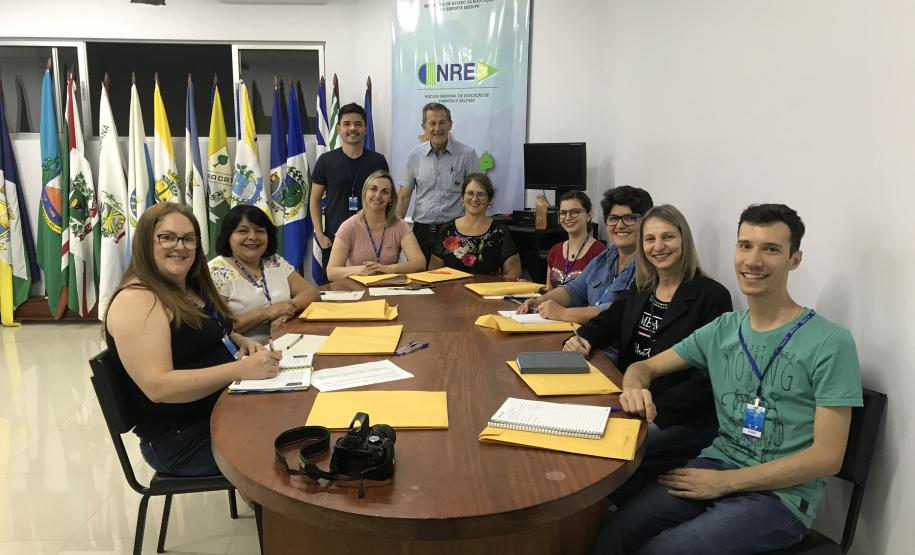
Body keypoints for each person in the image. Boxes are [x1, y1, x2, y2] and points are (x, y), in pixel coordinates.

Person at [590, 204, 863, 555]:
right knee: (612, 533)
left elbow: (827, 458)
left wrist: (725, 483)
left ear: (794, 259)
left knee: (661, 551)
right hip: (715, 464)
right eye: (745, 245)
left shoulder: (831, 342)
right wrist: (633, 387)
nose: (753, 260)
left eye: (771, 249)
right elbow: (644, 368)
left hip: (780, 498)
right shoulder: (722, 330)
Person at [564, 205, 732, 504]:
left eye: (667, 237)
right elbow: (606, 322)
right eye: (650, 239)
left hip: (677, 417)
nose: (658, 247)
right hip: (629, 398)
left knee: (592, 452)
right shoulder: (643, 288)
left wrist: (648, 409)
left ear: (684, 241)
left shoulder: (712, 297)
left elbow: (708, 379)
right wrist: (582, 339)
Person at [104, 203, 282, 477]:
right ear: (144, 242)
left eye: (189, 239)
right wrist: (240, 369)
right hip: (181, 441)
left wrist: (238, 339)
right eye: (167, 237)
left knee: (296, 418)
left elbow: (202, 329)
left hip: (216, 414)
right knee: (291, 449)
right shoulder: (137, 300)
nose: (181, 246)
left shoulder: (185, 287)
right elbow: (158, 387)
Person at [519, 185, 654, 361]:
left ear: (646, 222)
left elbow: (615, 312)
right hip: (583, 342)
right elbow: (575, 289)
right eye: (613, 218)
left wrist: (563, 314)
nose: (620, 225)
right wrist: (539, 301)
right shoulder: (606, 256)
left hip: (613, 357)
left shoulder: (649, 266)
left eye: (629, 218)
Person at [208, 204, 320, 344]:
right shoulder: (216, 270)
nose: (253, 237)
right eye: (243, 231)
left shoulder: (274, 261)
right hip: (244, 355)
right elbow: (216, 326)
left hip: (288, 343)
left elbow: (311, 292)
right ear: (228, 236)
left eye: (260, 231)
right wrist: (268, 313)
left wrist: (288, 309)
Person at [397, 102, 479, 266]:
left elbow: (476, 195)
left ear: (450, 124)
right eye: (432, 123)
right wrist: (394, 231)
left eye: (442, 122)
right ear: (424, 127)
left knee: (455, 282)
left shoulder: (467, 154)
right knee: (421, 282)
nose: (437, 128)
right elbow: (404, 196)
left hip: (455, 231)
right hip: (422, 232)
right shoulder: (415, 155)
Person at [310, 103, 390, 270]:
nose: (352, 128)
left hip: (371, 238)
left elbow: (386, 196)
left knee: (371, 289)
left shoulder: (378, 161)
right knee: (335, 290)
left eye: (358, 124)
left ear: (366, 129)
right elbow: (314, 200)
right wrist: (319, 234)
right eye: (347, 124)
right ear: (339, 128)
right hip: (334, 236)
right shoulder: (325, 161)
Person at [326, 170, 426, 281]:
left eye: (385, 192)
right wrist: (357, 270)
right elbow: (331, 272)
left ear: (391, 198)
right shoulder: (349, 226)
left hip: (391, 289)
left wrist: (388, 269)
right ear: (365, 192)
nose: (378, 195)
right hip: (358, 291)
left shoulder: (400, 225)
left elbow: (420, 262)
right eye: (373, 189)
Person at [429, 173, 522, 279]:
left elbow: (513, 272)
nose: (474, 199)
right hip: (451, 294)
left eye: (481, 194)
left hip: (487, 294)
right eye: (470, 193)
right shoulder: (447, 231)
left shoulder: (500, 232)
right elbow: (434, 272)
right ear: (462, 197)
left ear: (489, 199)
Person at [545, 191, 606, 289]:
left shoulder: (599, 252)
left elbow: (598, 297)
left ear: (589, 215)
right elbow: (549, 291)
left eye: (575, 212)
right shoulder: (555, 251)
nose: (568, 217)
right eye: (563, 213)